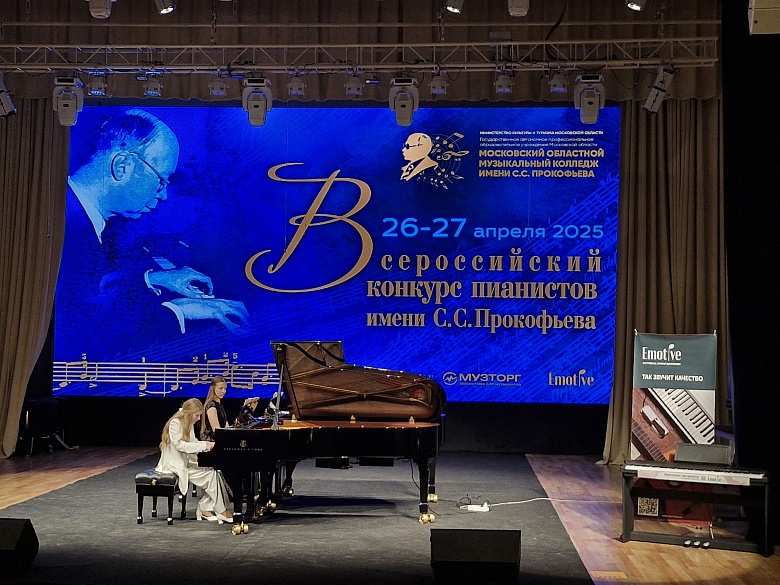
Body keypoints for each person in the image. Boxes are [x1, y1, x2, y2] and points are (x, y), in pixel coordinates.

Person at [56, 108, 249, 372]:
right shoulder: (67, 228)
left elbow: (92, 291)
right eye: (161, 181)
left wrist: (153, 279)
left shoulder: (81, 216)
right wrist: (179, 310)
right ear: (122, 166)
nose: (164, 195)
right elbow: (85, 328)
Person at [155, 398, 232, 523]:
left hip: (186, 462)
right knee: (210, 475)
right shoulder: (175, 423)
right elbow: (180, 446)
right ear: (189, 413)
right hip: (174, 465)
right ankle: (219, 510)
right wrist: (204, 445)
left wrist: (207, 445)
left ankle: (206, 508)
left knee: (213, 470)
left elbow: (193, 442)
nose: (199, 418)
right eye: (197, 415)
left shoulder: (187, 423)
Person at [202, 376, 229, 441]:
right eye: (220, 388)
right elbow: (216, 430)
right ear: (212, 388)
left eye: (225, 388)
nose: (223, 391)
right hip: (211, 441)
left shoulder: (219, 405)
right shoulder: (211, 406)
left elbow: (226, 426)